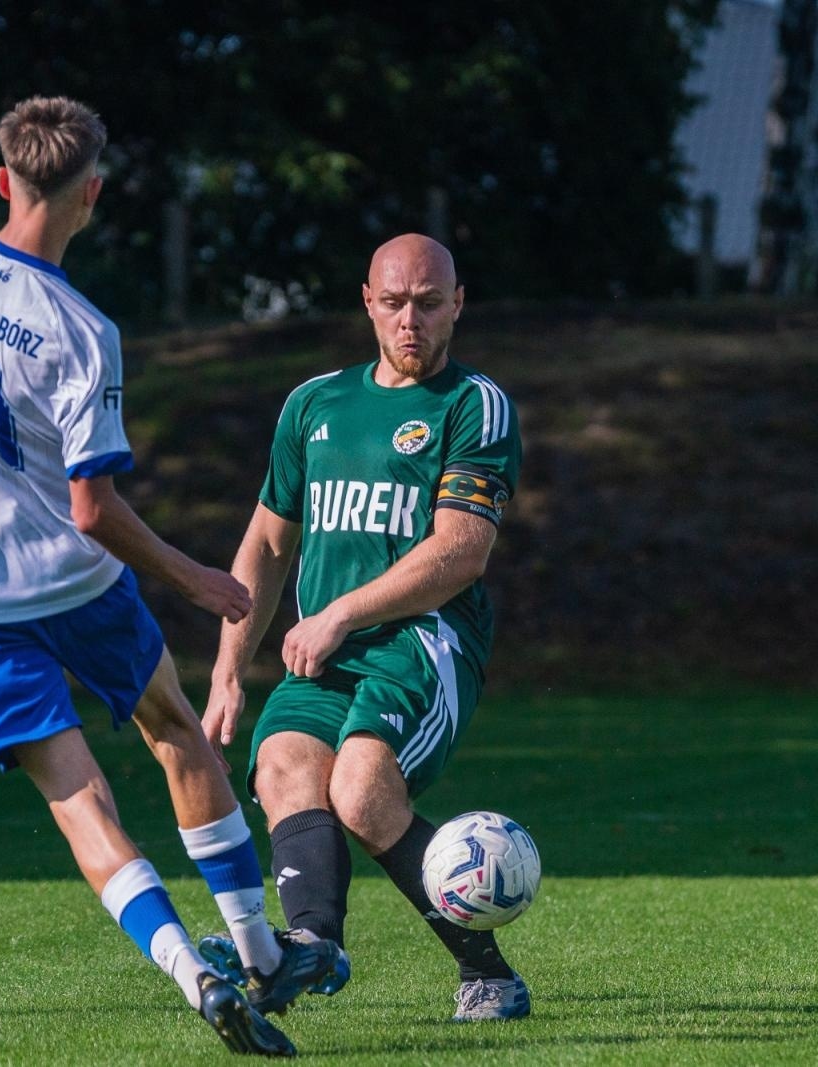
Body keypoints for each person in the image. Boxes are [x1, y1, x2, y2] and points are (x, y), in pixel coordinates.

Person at [0, 96, 340, 1057]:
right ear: (94, 193)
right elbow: (91, 510)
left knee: (79, 801)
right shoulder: (82, 329)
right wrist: (194, 575)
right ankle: (261, 953)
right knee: (173, 728)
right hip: (68, 579)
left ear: (3, 180)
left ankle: (191, 972)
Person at [197, 234, 529, 1023]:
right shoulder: (314, 403)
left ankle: (489, 975)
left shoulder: (473, 404)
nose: (409, 320)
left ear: (457, 303)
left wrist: (341, 612)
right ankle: (311, 949)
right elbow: (268, 544)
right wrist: (225, 672)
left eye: (427, 302)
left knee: (360, 790)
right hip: (327, 651)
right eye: (393, 302)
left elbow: (461, 552)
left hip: (425, 643)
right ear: (367, 303)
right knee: (281, 766)